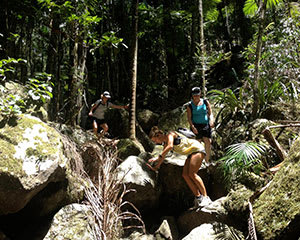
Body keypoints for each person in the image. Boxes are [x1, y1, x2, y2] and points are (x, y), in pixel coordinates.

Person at [147, 126, 212, 209]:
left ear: (159, 135)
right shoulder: (165, 144)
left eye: (155, 140)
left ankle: (206, 197)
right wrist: (156, 167)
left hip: (197, 149)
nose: (156, 142)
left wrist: (158, 157)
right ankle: (199, 197)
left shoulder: (170, 134)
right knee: (185, 174)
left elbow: (170, 146)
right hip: (191, 153)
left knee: (192, 174)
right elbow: (162, 157)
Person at [187, 87, 214, 162]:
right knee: (197, 143)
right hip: (196, 126)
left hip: (205, 125)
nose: (196, 97)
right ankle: (196, 161)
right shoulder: (190, 105)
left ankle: (207, 160)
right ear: (192, 95)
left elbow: (210, 112)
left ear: (200, 94)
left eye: (197, 95)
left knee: (207, 142)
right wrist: (192, 127)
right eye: (194, 95)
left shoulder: (205, 102)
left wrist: (211, 120)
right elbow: (189, 118)